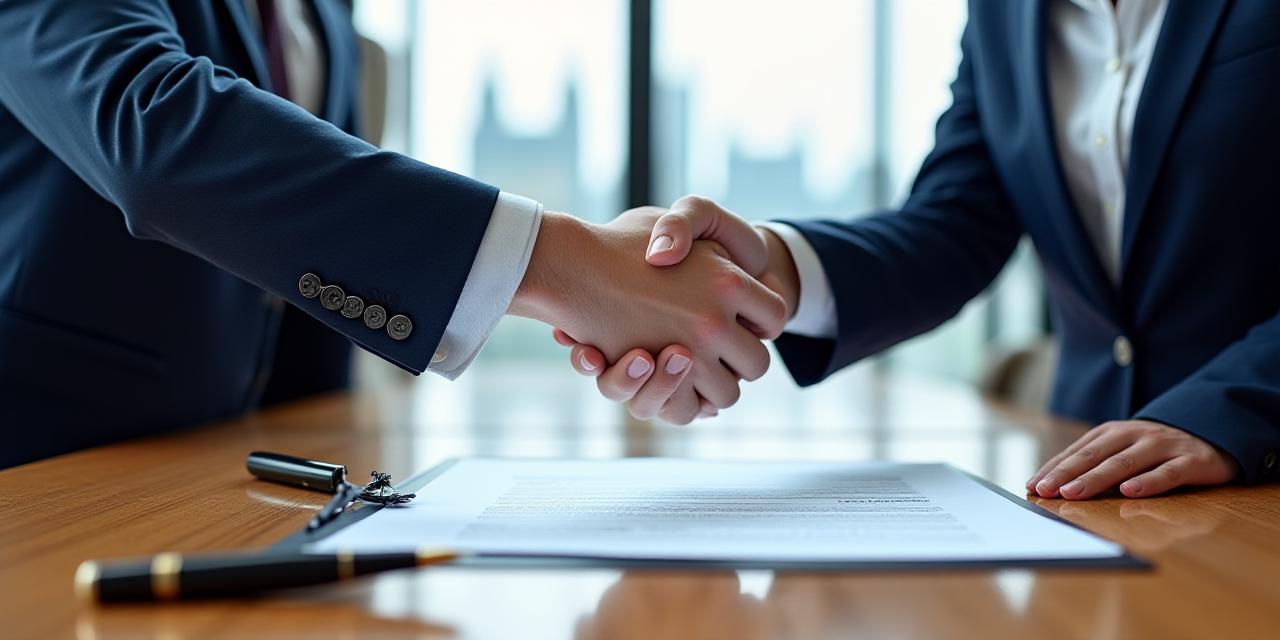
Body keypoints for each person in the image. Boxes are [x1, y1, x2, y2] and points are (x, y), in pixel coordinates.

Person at [0, 0, 784, 468]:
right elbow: (153, 129)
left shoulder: (327, 14)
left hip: (228, 478)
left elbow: (291, 259)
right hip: (45, 467)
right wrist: (568, 266)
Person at [561, 0, 1280, 499]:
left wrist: (1224, 411)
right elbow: (955, 225)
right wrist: (762, 270)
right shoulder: (1007, 14)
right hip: (1090, 487)